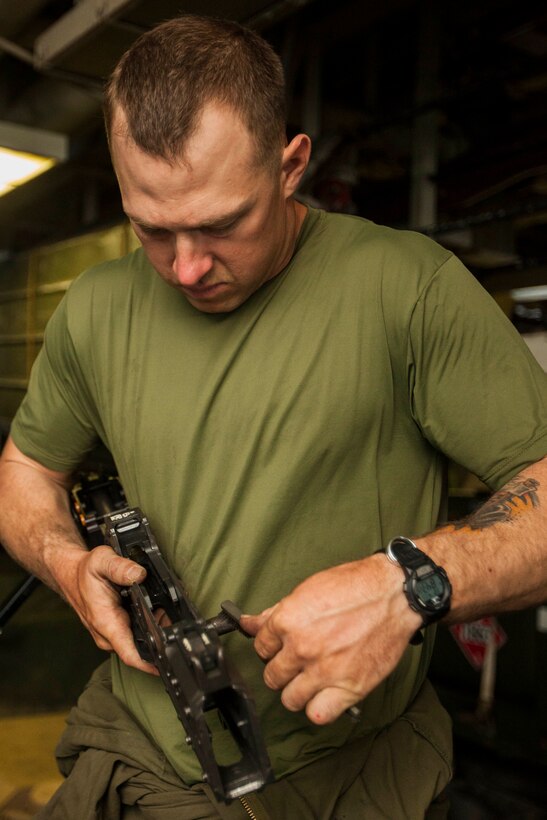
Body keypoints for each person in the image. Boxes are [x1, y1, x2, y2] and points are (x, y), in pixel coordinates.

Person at [0, 13, 546, 820]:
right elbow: (25, 470)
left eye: (222, 224)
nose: (185, 267)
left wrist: (409, 583)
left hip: (340, 779)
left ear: (291, 165)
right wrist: (66, 565)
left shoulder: (406, 288)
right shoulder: (96, 307)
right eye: (152, 228)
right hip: (133, 754)